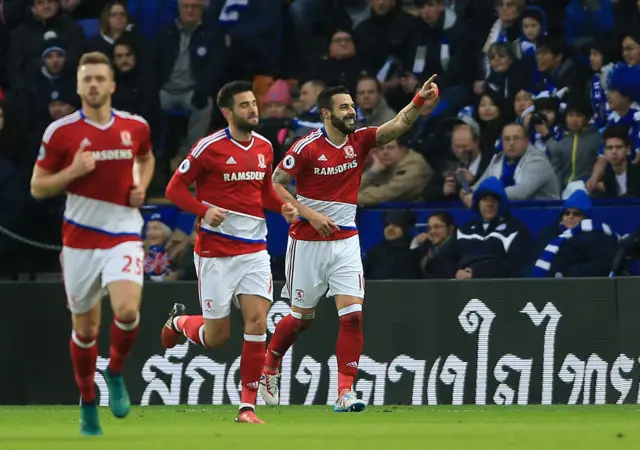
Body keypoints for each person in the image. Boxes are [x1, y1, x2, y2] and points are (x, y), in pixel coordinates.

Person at [260, 75, 440, 412]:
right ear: (326, 114)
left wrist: (418, 101)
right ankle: (270, 364)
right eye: (344, 107)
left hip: (345, 241)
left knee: (353, 316)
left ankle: (344, 393)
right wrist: (307, 213)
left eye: (352, 106)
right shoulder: (306, 147)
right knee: (301, 319)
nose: (351, 112)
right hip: (308, 242)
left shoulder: (359, 140)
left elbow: (397, 126)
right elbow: (276, 182)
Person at [30, 51, 155, 436]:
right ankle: (87, 400)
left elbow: (146, 158)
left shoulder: (135, 126)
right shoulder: (60, 132)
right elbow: (37, 187)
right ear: (79, 85)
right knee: (85, 331)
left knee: (128, 310)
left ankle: (115, 372)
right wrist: (72, 171)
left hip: (123, 232)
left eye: (101, 78)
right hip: (80, 239)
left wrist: (141, 187)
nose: (94, 85)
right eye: (88, 79)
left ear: (112, 85)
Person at [159, 80, 298, 424]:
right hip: (216, 253)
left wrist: (283, 207)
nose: (253, 109)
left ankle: (246, 407)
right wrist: (203, 211)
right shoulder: (209, 147)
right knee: (215, 337)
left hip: (254, 250)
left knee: (257, 322)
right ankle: (179, 321)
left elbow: (262, 193)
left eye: (254, 103)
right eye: (245, 105)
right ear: (228, 112)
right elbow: (173, 189)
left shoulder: (265, 147)